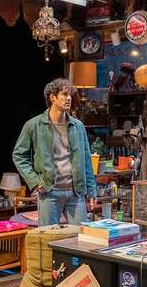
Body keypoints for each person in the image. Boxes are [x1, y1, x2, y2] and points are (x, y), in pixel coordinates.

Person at [12, 78, 96, 226]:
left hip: (76, 193)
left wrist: (91, 190)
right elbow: (18, 155)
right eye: (64, 94)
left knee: (80, 240)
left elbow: (86, 160)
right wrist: (35, 181)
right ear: (52, 97)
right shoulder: (34, 125)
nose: (69, 98)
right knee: (47, 239)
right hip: (50, 192)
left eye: (69, 94)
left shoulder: (78, 126)